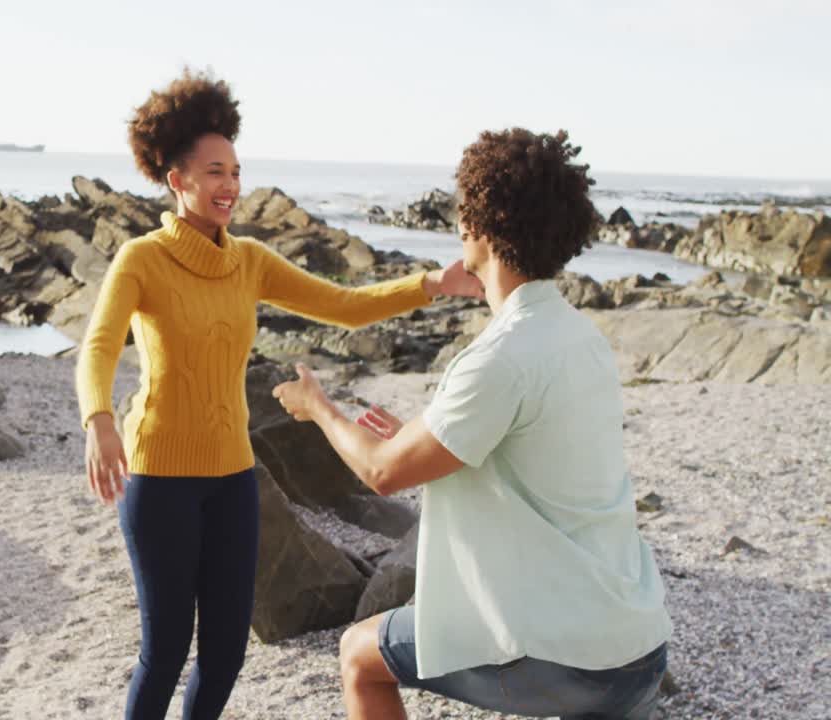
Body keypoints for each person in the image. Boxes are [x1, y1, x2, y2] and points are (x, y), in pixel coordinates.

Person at [74, 69, 482, 720]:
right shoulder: (142, 260)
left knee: (227, 654)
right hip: (160, 483)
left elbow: (342, 306)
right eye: (213, 172)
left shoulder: (250, 260)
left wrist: (430, 283)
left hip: (234, 480)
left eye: (234, 171)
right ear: (177, 179)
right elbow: (98, 346)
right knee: (166, 649)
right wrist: (98, 420)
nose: (229, 185)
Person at [272, 128, 673, 720]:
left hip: (571, 660)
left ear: (478, 227)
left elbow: (381, 473)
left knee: (359, 655)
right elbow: (530, 452)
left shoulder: (498, 358)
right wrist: (420, 433)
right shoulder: (580, 337)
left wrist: (319, 407)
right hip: (637, 642)